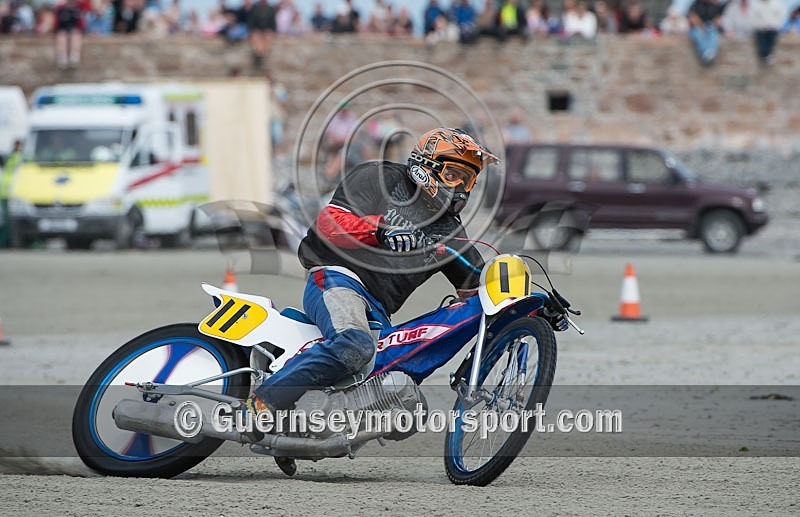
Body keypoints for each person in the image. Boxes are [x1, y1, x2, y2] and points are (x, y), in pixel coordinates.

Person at [243, 128, 500, 459]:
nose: (459, 187)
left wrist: (530, 307)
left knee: (404, 403)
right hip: (338, 277)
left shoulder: (451, 232)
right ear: (428, 165)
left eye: (467, 180)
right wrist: (380, 231)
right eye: (452, 174)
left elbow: (478, 291)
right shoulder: (380, 178)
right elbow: (330, 223)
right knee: (354, 343)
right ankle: (261, 403)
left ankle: (302, 426)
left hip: (378, 310)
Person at [687, 0, 727, 65]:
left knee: (713, 32)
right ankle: (707, 53)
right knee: (697, 34)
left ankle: (709, 53)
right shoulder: (697, 3)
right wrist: (701, 26)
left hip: (709, 28)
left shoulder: (716, 6)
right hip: (697, 28)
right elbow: (692, 17)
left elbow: (717, 20)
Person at [750, 0, 787, 65]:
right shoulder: (756, 5)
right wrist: (761, 26)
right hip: (760, 29)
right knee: (761, 38)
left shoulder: (777, 4)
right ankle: (766, 55)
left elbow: (781, 17)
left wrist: (772, 26)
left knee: (772, 36)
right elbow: (753, 18)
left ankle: (767, 55)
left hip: (773, 28)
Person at [0, 140, 22, 248]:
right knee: (6, 220)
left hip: (14, 192)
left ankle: (6, 242)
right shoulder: (12, 156)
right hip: (5, 192)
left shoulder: (19, 157)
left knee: (9, 221)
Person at [54, 0, 88, 69]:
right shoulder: (60, 8)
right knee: (61, 36)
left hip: (75, 31)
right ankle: (62, 57)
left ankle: (74, 56)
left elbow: (82, 24)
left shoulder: (80, 7)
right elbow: (56, 24)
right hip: (63, 30)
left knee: (76, 35)